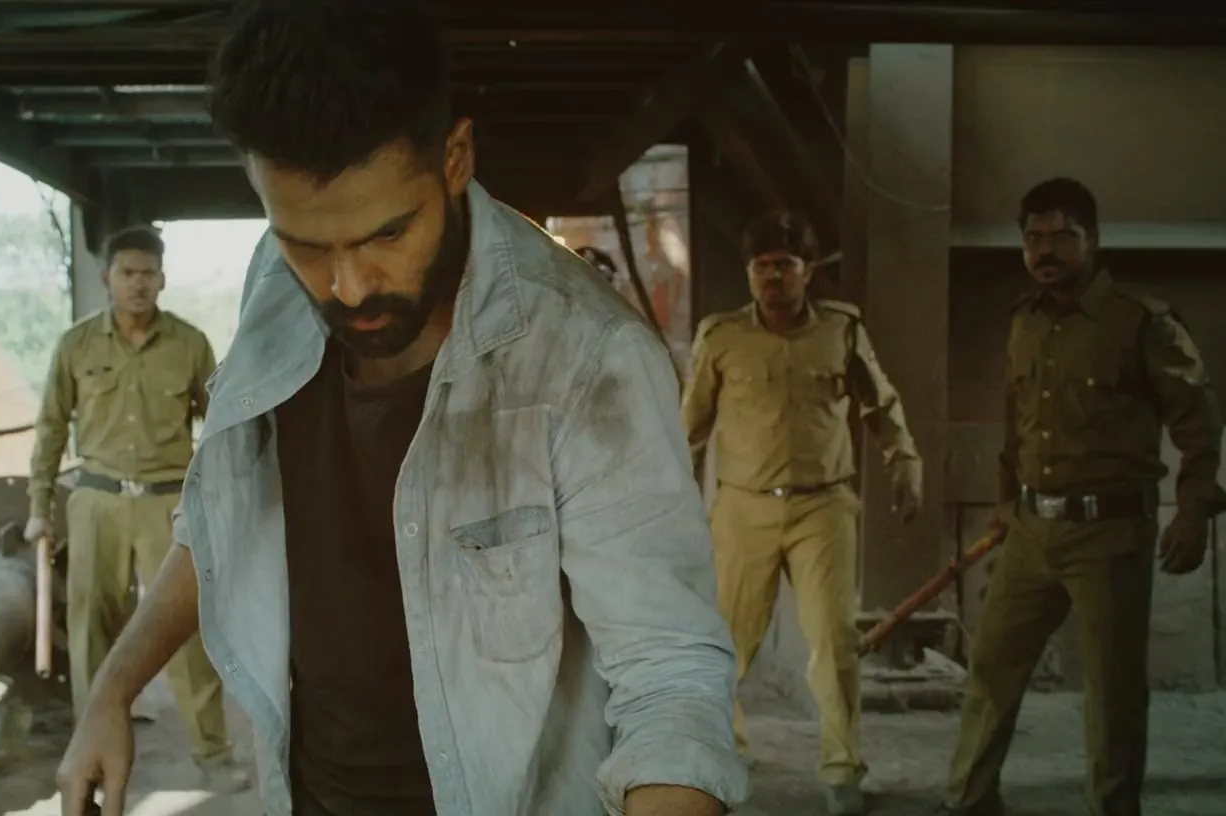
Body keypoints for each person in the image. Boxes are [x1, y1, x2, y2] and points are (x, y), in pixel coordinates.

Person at [54, 1, 748, 815]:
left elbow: (669, 678)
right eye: (308, 245)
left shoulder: (589, 357)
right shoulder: (273, 284)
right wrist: (111, 689)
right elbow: (225, 514)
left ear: (454, 158)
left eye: (387, 235)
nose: (348, 287)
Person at [940, 178, 1226, 816]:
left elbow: (1198, 421)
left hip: (1109, 534)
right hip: (1031, 531)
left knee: (1112, 691)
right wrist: (1006, 505)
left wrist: (1194, 510)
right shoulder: (1024, 321)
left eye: (1062, 236)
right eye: (1033, 238)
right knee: (991, 669)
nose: (1045, 250)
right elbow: (1017, 425)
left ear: (1093, 240)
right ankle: (969, 802)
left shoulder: (1141, 322)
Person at [680, 211, 924, 816]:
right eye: (762, 267)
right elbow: (691, 427)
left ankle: (842, 769)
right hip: (743, 509)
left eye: (785, 266)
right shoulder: (722, 337)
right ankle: (722, 757)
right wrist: (673, 501)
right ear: (749, 273)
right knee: (725, 646)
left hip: (824, 508)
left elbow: (881, 404)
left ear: (807, 271)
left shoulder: (840, 330)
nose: (773, 278)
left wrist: (904, 461)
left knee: (835, 643)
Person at [24, 226, 246, 792]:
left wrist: (222, 498)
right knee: (90, 629)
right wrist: (39, 507)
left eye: (148, 273)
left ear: (162, 280)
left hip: (168, 502)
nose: (138, 284)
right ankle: (93, 755)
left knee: (186, 629)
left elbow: (219, 423)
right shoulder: (76, 345)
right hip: (96, 500)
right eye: (127, 273)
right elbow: (51, 428)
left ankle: (213, 754)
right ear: (108, 278)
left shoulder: (189, 343)